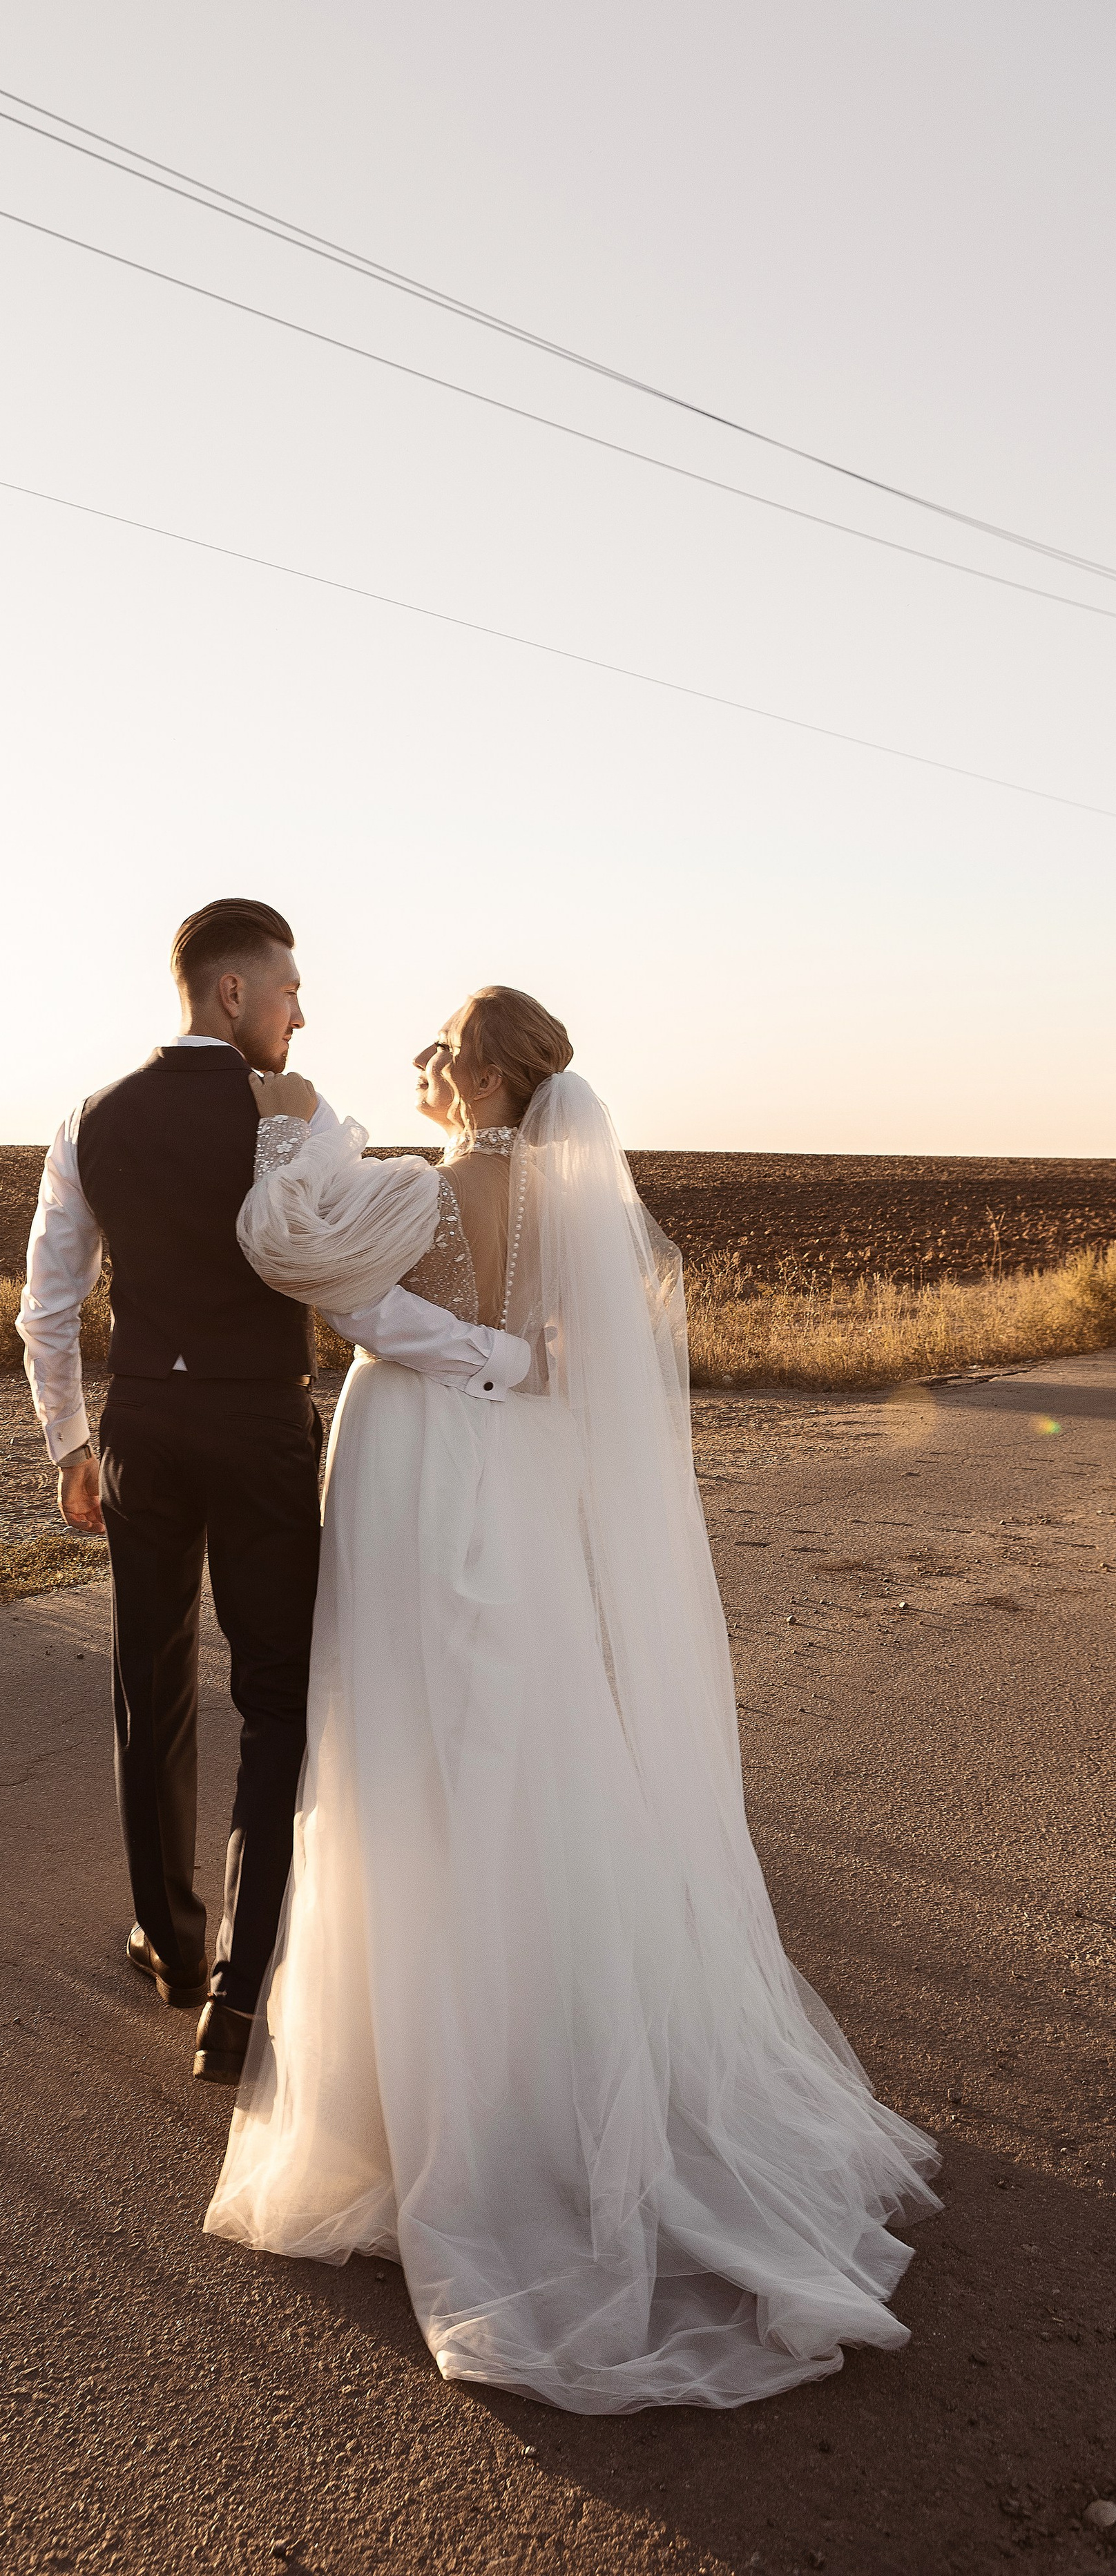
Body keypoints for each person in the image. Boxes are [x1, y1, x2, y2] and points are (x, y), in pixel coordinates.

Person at [204, 988, 941, 2410]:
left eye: (439, 1051)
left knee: (409, 1751)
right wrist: (501, 1363)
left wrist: (291, 1138)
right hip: (526, 1489)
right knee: (532, 1743)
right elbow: (560, 1365)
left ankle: (426, 2102)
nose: (428, 1066)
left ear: (474, 1072)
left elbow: (332, 1289)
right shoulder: (574, 1207)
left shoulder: (417, 1189)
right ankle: (551, 2062)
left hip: (418, 1474)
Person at [17, 906, 541, 2084]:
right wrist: (494, 1361)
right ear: (231, 996)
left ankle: (170, 1937)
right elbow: (349, 1284)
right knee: (276, 1695)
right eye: (290, 991)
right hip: (258, 1431)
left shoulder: (90, 1120)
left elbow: (47, 1308)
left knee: (146, 1677)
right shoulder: (295, 1119)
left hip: (144, 1427)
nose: (303, 1013)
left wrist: (70, 1449)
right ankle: (244, 1995)